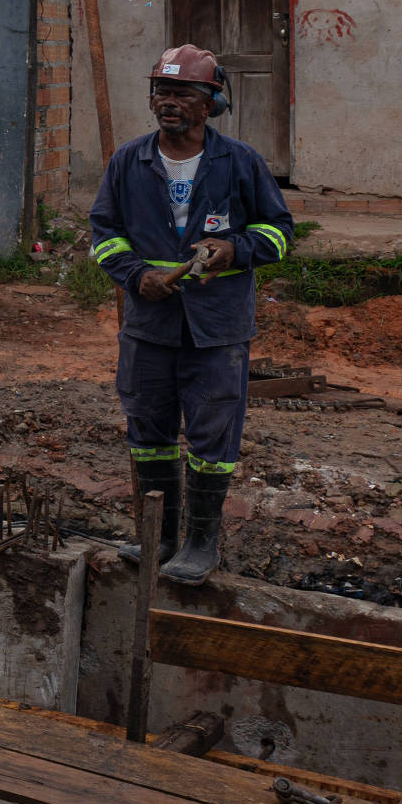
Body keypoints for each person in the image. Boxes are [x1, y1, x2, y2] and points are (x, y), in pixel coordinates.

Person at [88, 45, 293, 584]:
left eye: (184, 92)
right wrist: (137, 276)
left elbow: (279, 231)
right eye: (162, 90)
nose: (169, 101)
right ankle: (156, 537)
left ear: (211, 103)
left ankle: (201, 543)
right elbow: (104, 236)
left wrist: (236, 250)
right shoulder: (129, 161)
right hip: (149, 324)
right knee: (148, 426)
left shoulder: (240, 162)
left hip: (217, 327)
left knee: (212, 431)